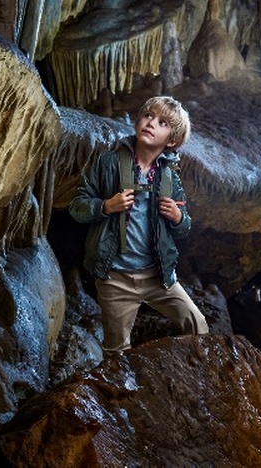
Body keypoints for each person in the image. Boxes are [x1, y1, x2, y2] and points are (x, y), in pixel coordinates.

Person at [69, 96, 209, 353]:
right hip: (115, 277)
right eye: (147, 115)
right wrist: (105, 206)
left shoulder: (169, 177)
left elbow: (184, 227)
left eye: (162, 122)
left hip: (158, 277)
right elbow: (77, 206)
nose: (151, 123)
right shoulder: (108, 163)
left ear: (172, 140)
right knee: (116, 350)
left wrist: (178, 218)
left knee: (197, 324)